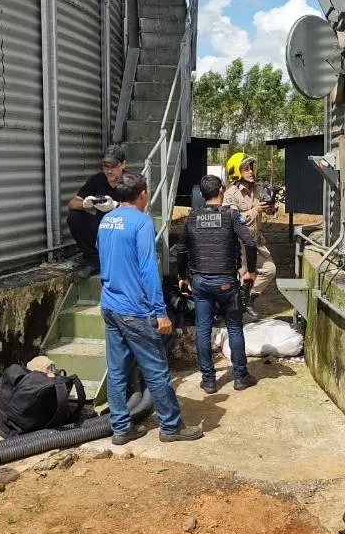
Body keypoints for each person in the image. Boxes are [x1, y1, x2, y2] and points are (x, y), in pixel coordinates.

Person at [96, 172, 204, 445]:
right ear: (143, 194)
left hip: (110, 305)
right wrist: (160, 311)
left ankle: (121, 428)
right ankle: (171, 426)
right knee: (156, 369)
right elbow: (148, 270)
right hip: (135, 308)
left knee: (117, 370)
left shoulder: (106, 221)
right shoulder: (142, 223)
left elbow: (102, 255)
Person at [177, 175, 259, 393]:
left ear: (202, 196)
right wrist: (250, 271)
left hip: (201, 283)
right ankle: (240, 377)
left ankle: (209, 380)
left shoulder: (191, 218)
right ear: (221, 190)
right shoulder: (231, 216)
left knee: (203, 330)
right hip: (226, 282)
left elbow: (182, 250)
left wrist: (181, 276)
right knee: (234, 327)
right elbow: (250, 242)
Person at [223, 153, 278, 311]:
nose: (251, 172)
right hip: (239, 245)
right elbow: (234, 220)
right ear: (236, 172)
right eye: (246, 169)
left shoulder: (259, 190)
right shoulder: (230, 194)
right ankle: (235, 313)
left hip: (255, 242)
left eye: (251, 168)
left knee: (269, 269)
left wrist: (271, 207)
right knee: (240, 278)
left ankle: (248, 298)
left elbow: (269, 212)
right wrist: (255, 210)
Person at [67, 144, 125, 275]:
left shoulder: (129, 181)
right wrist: (87, 204)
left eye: (114, 167)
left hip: (122, 228)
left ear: (123, 165)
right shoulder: (98, 179)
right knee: (74, 217)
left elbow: (139, 209)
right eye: (106, 166)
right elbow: (72, 203)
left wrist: (116, 206)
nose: (109, 171)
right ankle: (94, 261)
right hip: (102, 226)